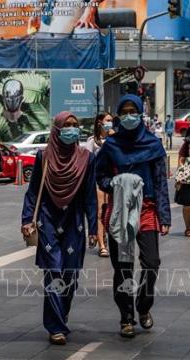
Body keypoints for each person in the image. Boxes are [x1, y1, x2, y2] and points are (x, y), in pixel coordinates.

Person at [96, 94, 171, 339]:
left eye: (133, 111)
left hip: (147, 209)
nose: (129, 116)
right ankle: (126, 317)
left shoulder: (153, 144)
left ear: (140, 114)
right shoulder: (111, 146)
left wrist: (165, 215)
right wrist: (114, 183)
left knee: (152, 262)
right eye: (125, 112)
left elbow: (160, 181)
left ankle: (144, 306)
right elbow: (101, 177)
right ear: (119, 115)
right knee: (123, 267)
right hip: (120, 211)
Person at [22, 111, 97, 345]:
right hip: (48, 221)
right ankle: (55, 326)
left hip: (74, 222)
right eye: (67, 125)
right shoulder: (44, 156)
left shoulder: (87, 158)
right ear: (57, 129)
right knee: (53, 273)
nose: (71, 129)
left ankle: (60, 314)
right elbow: (34, 190)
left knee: (70, 276)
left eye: (75, 125)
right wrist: (26, 219)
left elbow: (90, 196)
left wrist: (94, 227)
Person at [85, 112, 114, 257]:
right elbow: (87, 163)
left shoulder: (115, 139)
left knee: (113, 211)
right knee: (100, 213)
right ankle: (102, 244)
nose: (110, 123)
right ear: (99, 123)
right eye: (108, 120)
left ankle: (108, 239)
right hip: (97, 182)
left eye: (112, 120)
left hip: (114, 181)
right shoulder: (92, 142)